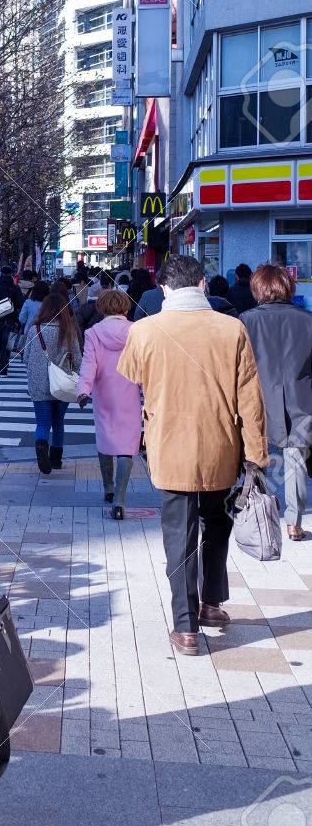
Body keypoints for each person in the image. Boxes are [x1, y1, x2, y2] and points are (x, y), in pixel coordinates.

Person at [117, 254, 268, 657]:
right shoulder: (232, 329)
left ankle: (185, 627)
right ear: (202, 284)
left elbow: (131, 376)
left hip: (170, 445)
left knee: (178, 532)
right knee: (217, 521)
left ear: (165, 288)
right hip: (222, 446)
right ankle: (211, 602)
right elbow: (251, 401)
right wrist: (256, 456)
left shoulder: (144, 330)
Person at [242, 264, 312, 541]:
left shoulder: (247, 320)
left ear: (258, 288)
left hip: (258, 398)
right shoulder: (307, 320)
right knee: (296, 460)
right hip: (301, 398)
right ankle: (294, 522)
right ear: (287, 287)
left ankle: (260, 513)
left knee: (257, 455)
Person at [77, 288, 142, 520]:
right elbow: (144, 364)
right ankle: (119, 501)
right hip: (129, 392)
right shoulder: (136, 331)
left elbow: (88, 364)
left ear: (102, 308)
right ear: (125, 307)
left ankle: (108, 487)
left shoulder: (93, 332)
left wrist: (83, 390)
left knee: (105, 439)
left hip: (103, 392)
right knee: (127, 445)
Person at [24, 289, 82, 474]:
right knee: (58, 423)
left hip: (39, 384)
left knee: (42, 423)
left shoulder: (35, 330)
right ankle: (56, 459)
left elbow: (25, 357)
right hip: (62, 384)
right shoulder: (69, 330)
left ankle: (41, 446)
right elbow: (78, 359)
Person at [0, 265, 24, 377]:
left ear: (1, 274)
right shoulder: (14, 287)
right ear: (11, 274)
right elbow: (20, 302)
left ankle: (0, 365)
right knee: (6, 344)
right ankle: (4, 368)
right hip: (10, 319)